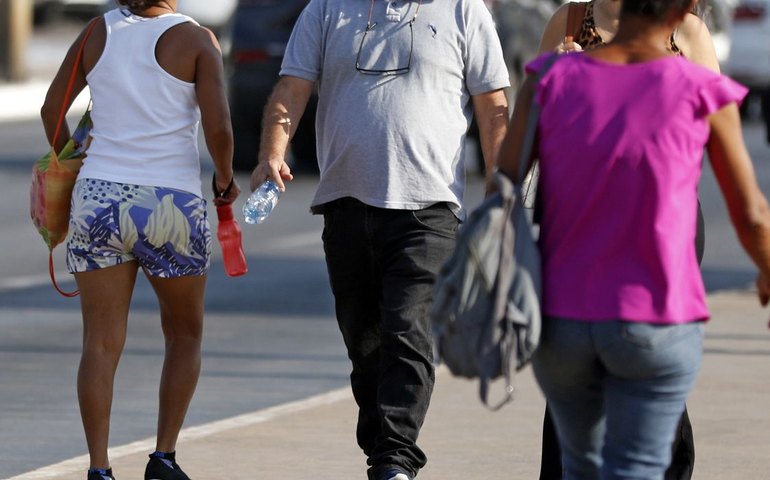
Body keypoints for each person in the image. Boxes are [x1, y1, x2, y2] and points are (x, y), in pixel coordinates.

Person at [496, 0, 770, 478]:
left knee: (578, 466)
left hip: (566, 314)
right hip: (655, 307)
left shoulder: (551, 77)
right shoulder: (697, 87)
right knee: (641, 464)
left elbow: (504, 176)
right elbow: (750, 212)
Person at [247, 0, 510, 478]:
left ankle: (396, 458)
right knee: (364, 343)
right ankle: (383, 452)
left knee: (408, 331)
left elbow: (493, 103)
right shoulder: (327, 9)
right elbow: (292, 86)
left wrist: (500, 182)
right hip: (345, 204)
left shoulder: (464, 10)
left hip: (428, 208)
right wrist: (271, 154)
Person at [40, 1, 238, 479]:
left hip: (99, 196)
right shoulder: (196, 39)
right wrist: (225, 180)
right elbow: (218, 127)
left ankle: (99, 469)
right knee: (184, 333)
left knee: (100, 343)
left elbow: (52, 108)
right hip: (171, 201)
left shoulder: (94, 33)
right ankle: (163, 458)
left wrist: (72, 161)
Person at [533, 1, 721, 478]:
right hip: (580, 223)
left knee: (647, 351)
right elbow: (531, 136)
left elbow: (717, 136)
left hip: (665, 227)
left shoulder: (687, 31)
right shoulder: (570, 23)